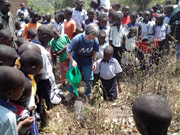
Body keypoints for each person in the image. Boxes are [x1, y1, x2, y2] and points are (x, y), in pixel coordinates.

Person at [66, 23, 99, 102]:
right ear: (86, 32)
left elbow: (95, 51)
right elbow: (68, 50)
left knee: (89, 78)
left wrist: (94, 61)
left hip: (87, 60)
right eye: (89, 37)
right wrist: (72, 60)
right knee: (72, 77)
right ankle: (70, 93)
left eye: (93, 38)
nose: (90, 39)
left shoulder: (95, 41)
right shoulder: (77, 39)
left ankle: (88, 94)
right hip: (76, 59)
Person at [0, 66, 26, 135]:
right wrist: (22, 123)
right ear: (9, 94)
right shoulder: (8, 118)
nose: (23, 89)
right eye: (21, 88)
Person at [49, 26, 71, 91]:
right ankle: (63, 84)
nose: (55, 35)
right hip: (63, 59)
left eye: (55, 33)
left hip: (69, 57)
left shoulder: (65, 36)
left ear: (58, 31)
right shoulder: (53, 42)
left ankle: (70, 84)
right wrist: (64, 48)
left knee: (70, 71)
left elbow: (70, 44)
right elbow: (57, 53)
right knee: (63, 73)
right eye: (53, 35)